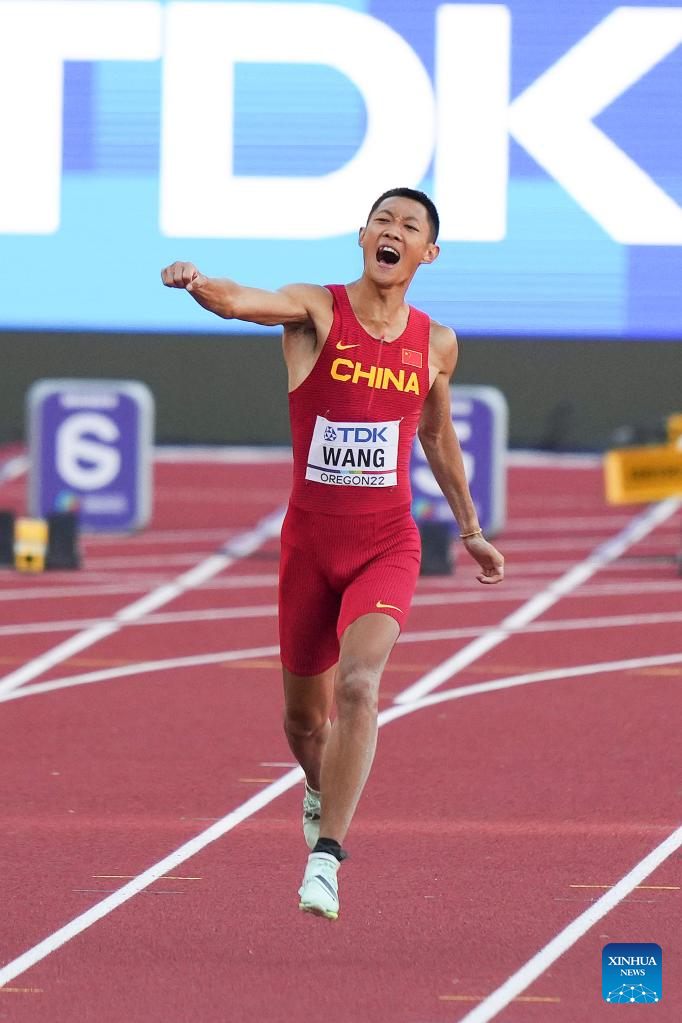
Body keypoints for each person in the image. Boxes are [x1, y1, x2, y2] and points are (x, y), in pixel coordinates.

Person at [161, 187, 504, 921]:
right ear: (363, 236)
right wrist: (199, 283)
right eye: (382, 220)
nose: (392, 231)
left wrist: (470, 528)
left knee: (359, 684)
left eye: (408, 226)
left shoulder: (436, 343)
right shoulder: (317, 310)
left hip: (387, 543)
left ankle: (327, 857)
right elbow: (241, 302)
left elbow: (436, 436)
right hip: (310, 546)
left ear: (427, 253)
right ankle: (319, 786)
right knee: (302, 723)